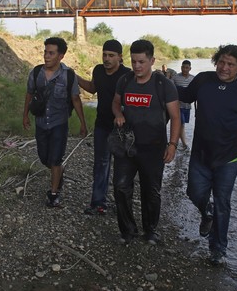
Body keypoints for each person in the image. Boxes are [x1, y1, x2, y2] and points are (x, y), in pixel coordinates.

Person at [177, 44, 237, 266]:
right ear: (216, 60)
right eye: (221, 62)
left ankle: (218, 249)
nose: (224, 67)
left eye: (230, 64)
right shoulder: (203, 80)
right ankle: (207, 212)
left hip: (229, 158)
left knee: (223, 202)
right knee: (194, 192)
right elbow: (185, 96)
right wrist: (162, 81)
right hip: (200, 153)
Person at [111, 39, 180, 245]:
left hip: (154, 147)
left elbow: (175, 117)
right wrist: (118, 115)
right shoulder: (124, 81)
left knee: (151, 191)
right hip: (127, 146)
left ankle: (150, 230)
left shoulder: (164, 85)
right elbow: (115, 103)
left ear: (152, 61)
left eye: (141, 62)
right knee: (120, 188)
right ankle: (128, 231)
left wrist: (173, 145)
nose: (137, 66)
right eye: (133, 62)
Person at [23, 37, 88, 208]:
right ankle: (58, 172)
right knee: (44, 158)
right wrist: (25, 116)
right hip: (41, 123)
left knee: (55, 159)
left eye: (51, 53)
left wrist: (83, 123)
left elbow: (75, 99)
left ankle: (53, 194)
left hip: (59, 124)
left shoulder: (69, 76)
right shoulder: (36, 73)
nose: (46, 56)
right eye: (45, 52)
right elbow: (29, 95)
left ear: (61, 56)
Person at [77, 39, 130, 215]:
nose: (106, 58)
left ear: (120, 57)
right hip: (101, 125)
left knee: (123, 167)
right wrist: (75, 78)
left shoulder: (127, 74)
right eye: (104, 55)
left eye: (111, 55)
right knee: (101, 164)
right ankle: (98, 202)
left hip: (122, 128)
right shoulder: (98, 70)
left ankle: (123, 203)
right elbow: (92, 88)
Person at [171, 60, 195, 151]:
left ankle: (175, 142)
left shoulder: (193, 78)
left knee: (182, 125)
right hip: (177, 106)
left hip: (187, 106)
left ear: (190, 68)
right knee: (181, 124)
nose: (185, 69)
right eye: (183, 67)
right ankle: (184, 144)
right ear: (181, 67)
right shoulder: (175, 77)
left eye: (187, 67)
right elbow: (170, 89)